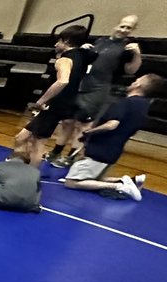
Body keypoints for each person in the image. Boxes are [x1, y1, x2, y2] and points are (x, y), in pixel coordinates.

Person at [47, 15, 143, 167]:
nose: (123, 30)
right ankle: (55, 152)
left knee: (83, 124)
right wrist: (82, 50)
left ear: (133, 30)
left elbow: (131, 70)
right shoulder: (100, 41)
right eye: (122, 26)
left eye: (128, 28)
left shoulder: (128, 48)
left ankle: (71, 157)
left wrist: (137, 55)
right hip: (83, 84)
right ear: (117, 25)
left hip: (98, 89)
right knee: (67, 121)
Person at [62, 73, 164, 201]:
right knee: (94, 179)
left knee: (71, 182)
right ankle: (130, 180)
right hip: (114, 151)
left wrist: (89, 132)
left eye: (137, 80)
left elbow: (112, 124)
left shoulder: (125, 103)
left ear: (139, 84)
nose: (133, 81)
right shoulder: (144, 107)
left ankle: (119, 186)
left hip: (100, 150)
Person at [12, 24, 89, 166]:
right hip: (66, 104)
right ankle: (17, 164)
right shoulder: (82, 56)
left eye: (58, 41)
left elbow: (62, 81)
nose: (55, 44)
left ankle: (30, 175)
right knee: (21, 137)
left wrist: (41, 102)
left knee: (37, 143)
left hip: (53, 106)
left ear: (66, 41)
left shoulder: (64, 59)